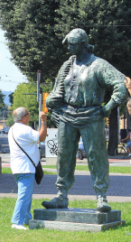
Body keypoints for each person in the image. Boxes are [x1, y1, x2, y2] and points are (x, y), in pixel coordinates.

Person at [42, 29, 127, 212]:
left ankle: (101, 196)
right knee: (64, 156)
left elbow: (121, 85)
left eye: (72, 44)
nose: (69, 47)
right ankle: (61, 195)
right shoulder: (67, 65)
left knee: (96, 156)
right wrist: (54, 106)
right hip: (67, 115)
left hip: (91, 116)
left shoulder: (98, 65)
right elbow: (57, 92)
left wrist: (107, 107)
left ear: (82, 44)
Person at [8, 108, 47, 230]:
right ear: (23, 118)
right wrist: (44, 121)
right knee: (24, 195)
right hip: (26, 168)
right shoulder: (25, 129)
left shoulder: (13, 129)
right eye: (28, 114)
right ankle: (17, 222)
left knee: (27, 195)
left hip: (18, 167)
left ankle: (26, 219)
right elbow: (41, 137)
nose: (30, 115)